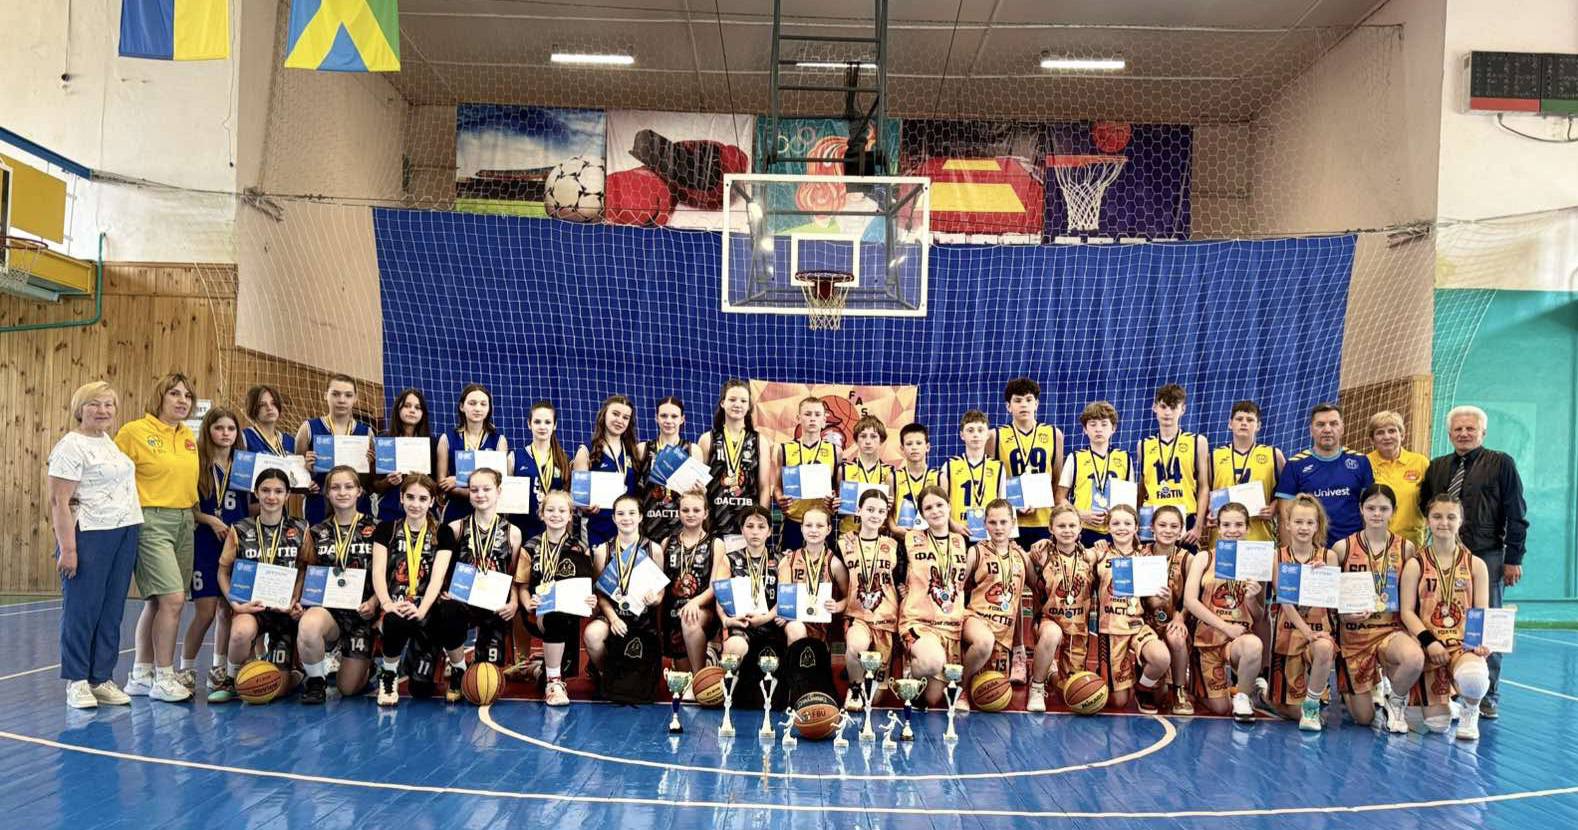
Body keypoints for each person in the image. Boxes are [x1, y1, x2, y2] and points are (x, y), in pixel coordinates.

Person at [1418, 404, 1527, 720]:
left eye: (1470, 428)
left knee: (1486, 622)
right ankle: (1448, 689)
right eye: (1458, 429)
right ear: (1449, 433)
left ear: (1483, 432)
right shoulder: (1437, 466)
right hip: (1444, 556)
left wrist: (1513, 558)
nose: (1464, 433)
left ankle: (1487, 694)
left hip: (1487, 554)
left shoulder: (1501, 463)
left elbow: (1517, 513)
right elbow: (1426, 505)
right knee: (1443, 617)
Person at [48, 381, 142, 709]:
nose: (102, 411)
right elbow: (59, 502)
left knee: (111, 610)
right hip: (90, 534)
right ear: (80, 408)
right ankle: (76, 680)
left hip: (124, 531)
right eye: (94, 404)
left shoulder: (108, 443)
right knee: (82, 610)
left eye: (108, 405)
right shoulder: (70, 446)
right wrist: (69, 549)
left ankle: (100, 678)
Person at [115, 372, 199, 703]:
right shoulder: (134, 432)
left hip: (184, 520)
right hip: (150, 520)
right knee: (173, 599)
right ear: (159, 397)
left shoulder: (188, 436)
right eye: (174, 393)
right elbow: (112, 475)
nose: (182, 400)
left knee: (159, 601)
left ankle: (141, 674)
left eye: (187, 396)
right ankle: (164, 677)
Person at [208, 468, 310, 703]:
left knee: (275, 689)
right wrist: (235, 603)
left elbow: (305, 569)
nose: (271, 497)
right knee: (240, 632)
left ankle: (294, 673)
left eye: (278, 491)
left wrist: (295, 599)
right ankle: (231, 679)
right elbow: (223, 571)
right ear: (256, 493)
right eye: (265, 490)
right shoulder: (240, 529)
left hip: (284, 612)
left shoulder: (300, 528)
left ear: (287, 495)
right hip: (253, 608)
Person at [1400, 493, 1494, 741]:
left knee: (1475, 678)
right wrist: (1429, 641)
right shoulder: (1416, 564)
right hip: (1429, 647)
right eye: (1437, 516)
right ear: (1428, 521)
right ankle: (1442, 702)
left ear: (1460, 521)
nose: (1444, 522)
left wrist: (1480, 642)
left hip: (1462, 645)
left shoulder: (1476, 564)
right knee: (1437, 726)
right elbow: (1406, 611)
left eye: (1451, 517)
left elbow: (1481, 610)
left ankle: (1470, 711)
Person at [1331, 484, 1422, 733]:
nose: (1377, 514)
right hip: (1354, 638)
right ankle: (1360, 687)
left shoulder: (1406, 549)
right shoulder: (1342, 548)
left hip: (1390, 632)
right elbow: (1330, 598)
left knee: (1414, 658)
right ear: (1361, 509)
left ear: (1393, 511)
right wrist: (1344, 614)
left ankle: (1395, 700)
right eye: (1371, 508)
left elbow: (1411, 599)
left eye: (1383, 508)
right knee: (1364, 719)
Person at [435, 468, 523, 702]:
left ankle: (478, 661)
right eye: (474, 490)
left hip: (494, 604)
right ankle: (457, 669)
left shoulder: (513, 533)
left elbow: (514, 575)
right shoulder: (456, 528)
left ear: (499, 491)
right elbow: (444, 567)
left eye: (486, 489)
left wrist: (514, 602)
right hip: (463, 600)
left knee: (487, 678)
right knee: (448, 610)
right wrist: (445, 590)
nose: (480, 494)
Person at [296, 466, 381, 703]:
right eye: (335, 487)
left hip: (362, 615)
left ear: (359, 491)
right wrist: (297, 601)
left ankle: (367, 664)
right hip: (329, 614)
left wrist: (374, 602)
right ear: (327, 493)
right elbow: (305, 572)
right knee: (309, 624)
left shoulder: (377, 529)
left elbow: (386, 574)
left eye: (348, 487)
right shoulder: (315, 532)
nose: (342, 492)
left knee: (348, 689)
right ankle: (315, 682)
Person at [371, 475, 451, 707]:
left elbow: (437, 578)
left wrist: (422, 610)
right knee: (394, 619)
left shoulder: (443, 532)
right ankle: (388, 674)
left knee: (421, 691)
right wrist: (387, 604)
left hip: (425, 609)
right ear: (401, 498)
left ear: (432, 501)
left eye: (423, 499)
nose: (416, 504)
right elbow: (378, 571)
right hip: (396, 606)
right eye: (410, 497)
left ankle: (429, 657)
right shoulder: (386, 529)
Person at [1181, 502, 1264, 722]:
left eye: (1239, 525)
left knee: (1254, 645)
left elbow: (1259, 616)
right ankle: (1198, 681)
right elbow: (1190, 601)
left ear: (1248, 528)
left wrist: (1251, 598)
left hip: (1238, 640)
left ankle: (1243, 695)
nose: (1232, 530)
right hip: (1207, 640)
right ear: (1218, 528)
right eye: (1226, 525)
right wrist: (1225, 626)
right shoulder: (1204, 558)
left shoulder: (1256, 561)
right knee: (1220, 709)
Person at [185, 407, 246, 691]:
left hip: (236, 543)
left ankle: (219, 668)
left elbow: (252, 506)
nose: (225, 433)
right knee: (205, 612)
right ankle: (186, 669)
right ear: (208, 430)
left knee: (227, 610)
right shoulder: (197, 463)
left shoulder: (243, 465)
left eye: (230, 429)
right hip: (205, 543)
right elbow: (187, 507)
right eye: (219, 428)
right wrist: (210, 520)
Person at [517, 490, 597, 706]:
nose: (556, 514)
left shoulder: (580, 548)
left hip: (569, 613)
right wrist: (527, 602)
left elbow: (586, 588)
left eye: (562, 510)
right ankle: (553, 683)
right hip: (538, 613)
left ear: (570, 515)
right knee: (554, 616)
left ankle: (537, 670)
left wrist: (590, 600)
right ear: (541, 514)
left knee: (560, 618)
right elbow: (522, 587)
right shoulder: (530, 547)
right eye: (550, 510)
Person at [898, 485, 975, 709]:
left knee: (932, 699)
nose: (935, 511)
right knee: (932, 662)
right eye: (928, 508)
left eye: (939, 505)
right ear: (922, 514)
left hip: (950, 624)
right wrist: (902, 586)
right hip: (919, 622)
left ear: (949, 507)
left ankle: (940, 678)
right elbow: (894, 572)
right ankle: (910, 669)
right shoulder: (910, 539)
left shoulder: (962, 541)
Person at [1266, 494, 1337, 731]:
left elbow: (1333, 600)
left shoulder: (1329, 557)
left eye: (1309, 522)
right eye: (1298, 522)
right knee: (1285, 708)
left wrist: (1323, 576)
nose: (1304, 527)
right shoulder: (1277, 557)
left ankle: (1312, 706)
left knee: (1325, 647)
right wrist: (1307, 632)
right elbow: (1285, 601)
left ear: (1317, 526)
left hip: (1318, 632)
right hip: (1288, 635)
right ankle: (1265, 693)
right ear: (1287, 524)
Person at [1091, 505, 1171, 713]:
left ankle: (1143, 686)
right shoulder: (1099, 554)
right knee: (1118, 702)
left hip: (1137, 625)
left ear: (1136, 527)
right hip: (1111, 630)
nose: (1122, 528)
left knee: (1161, 657)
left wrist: (1162, 598)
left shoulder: (1145, 559)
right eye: (1116, 523)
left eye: (1127, 523)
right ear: (1108, 527)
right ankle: (1109, 671)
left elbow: (1152, 603)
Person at [583, 494, 664, 682]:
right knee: (592, 635)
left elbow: (661, 592)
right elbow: (600, 593)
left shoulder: (654, 549)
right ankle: (606, 676)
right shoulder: (603, 550)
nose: (626, 518)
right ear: (613, 518)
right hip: (612, 614)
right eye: (620, 514)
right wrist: (613, 618)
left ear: (640, 517)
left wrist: (655, 599)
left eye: (631, 513)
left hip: (643, 617)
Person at [1025, 505, 1097, 713]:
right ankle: (1037, 687)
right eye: (1061, 526)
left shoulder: (1090, 556)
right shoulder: (1040, 554)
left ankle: (1051, 674)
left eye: (1072, 525)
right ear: (1051, 528)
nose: (1067, 530)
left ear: (1080, 527)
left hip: (1078, 628)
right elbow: (1018, 560)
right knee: (1052, 634)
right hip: (1048, 621)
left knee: (1069, 690)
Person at [1275, 402, 1373, 544]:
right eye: (1320, 424)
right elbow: (1285, 519)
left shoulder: (1360, 462)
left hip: (1353, 548)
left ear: (1342, 428)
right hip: (1312, 550)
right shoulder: (1294, 465)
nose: (1327, 429)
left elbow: (1370, 513)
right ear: (1311, 430)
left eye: (1333, 424)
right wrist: (1288, 554)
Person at [962, 499, 1029, 708]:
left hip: (1004, 631)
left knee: (993, 692)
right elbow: (957, 586)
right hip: (976, 620)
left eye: (1003, 522)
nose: (998, 528)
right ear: (984, 524)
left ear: (1013, 523)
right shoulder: (976, 552)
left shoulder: (1021, 555)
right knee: (984, 642)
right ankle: (960, 688)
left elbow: (1040, 588)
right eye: (992, 522)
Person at [840, 489, 902, 711]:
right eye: (870, 509)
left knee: (875, 700)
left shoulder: (894, 546)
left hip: (886, 620)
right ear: (859, 511)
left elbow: (901, 583)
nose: (875, 515)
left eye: (881, 511)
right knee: (856, 645)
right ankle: (854, 687)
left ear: (886, 515)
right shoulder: (844, 544)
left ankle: (865, 680)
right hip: (858, 616)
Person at [989, 377, 1064, 548]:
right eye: (1017, 400)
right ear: (1008, 406)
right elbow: (992, 482)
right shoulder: (995, 436)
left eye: (1029, 400)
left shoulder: (1054, 435)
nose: (1024, 405)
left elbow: (1056, 480)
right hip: (1009, 522)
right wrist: (1010, 506)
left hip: (1044, 519)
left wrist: (1042, 502)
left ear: (1036, 404)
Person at [695, 379, 772, 538]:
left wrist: (761, 521)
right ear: (722, 403)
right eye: (732, 399)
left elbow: (764, 487)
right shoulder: (707, 439)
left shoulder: (760, 441)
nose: (738, 404)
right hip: (714, 523)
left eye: (743, 401)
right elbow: (699, 487)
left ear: (749, 406)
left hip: (748, 526)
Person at [295, 374, 375, 525]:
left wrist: (370, 465)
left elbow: (369, 483)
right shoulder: (308, 428)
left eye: (348, 395)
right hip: (319, 504)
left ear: (355, 398)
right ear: (325, 395)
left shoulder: (367, 433)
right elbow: (297, 479)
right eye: (336, 394)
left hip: (357, 504)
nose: (342, 400)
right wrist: (306, 471)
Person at [658, 491, 721, 680]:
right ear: (678, 512)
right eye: (685, 510)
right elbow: (661, 588)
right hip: (673, 615)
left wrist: (695, 603)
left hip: (702, 612)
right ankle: (700, 669)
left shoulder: (716, 544)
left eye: (696, 510)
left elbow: (715, 587)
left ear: (706, 513)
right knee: (683, 681)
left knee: (690, 619)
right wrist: (659, 626)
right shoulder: (667, 543)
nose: (690, 514)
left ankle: (701, 677)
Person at [1137, 384, 1210, 547]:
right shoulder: (1143, 445)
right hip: (1152, 519)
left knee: (1186, 563)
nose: (1168, 412)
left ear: (1183, 409)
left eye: (1173, 407)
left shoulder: (1197, 442)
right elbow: (1142, 488)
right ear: (1154, 408)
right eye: (1163, 407)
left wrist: (1198, 526)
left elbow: (1204, 487)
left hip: (1186, 518)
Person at [713, 505, 783, 673]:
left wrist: (765, 618)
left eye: (761, 527)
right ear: (742, 530)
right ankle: (728, 685)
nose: (755, 532)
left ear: (769, 531)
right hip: (741, 624)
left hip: (771, 624)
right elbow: (720, 597)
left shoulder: (781, 560)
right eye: (750, 526)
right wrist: (726, 620)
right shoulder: (729, 559)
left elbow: (785, 599)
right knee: (734, 646)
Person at [1140, 505, 1194, 714]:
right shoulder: (1141, 554)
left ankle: (1179, 690)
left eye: (1174, 526)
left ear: (1181, 530)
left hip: (1173, 620)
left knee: (1177, 636)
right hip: (1145, 624)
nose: (1168, 530)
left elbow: (1191, 597)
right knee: (1157, 696)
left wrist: (1180, 618)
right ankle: (1145, 684)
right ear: (1152, 527)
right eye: (1162, 525)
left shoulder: (1187, 558)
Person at [1058, 401, 1132, 547]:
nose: (1098, 429)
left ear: (1113, 428)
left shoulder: (1124, 458)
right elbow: (1060, 498)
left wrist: (1118, 518)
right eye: (1093, 424)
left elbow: (1130, 503)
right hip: (1083, 530)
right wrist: (1080, 513)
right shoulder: (1075, 458)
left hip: (1115, 531)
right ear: (1085, 429)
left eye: (1104, 424)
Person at [1208, 401, 1284, 543]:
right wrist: (1209, 511)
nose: (1244, 423)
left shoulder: (1273, 455)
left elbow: (1288, 492)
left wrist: (1274, 507)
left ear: (1258, 426)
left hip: (1259, 537)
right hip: (1223, 537)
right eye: (1239, 419)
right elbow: (1204, 492)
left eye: (1250, 420)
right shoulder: (1214, 456)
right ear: (1230, 423)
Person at [435, 383, 510, 524]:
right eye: (472, 403)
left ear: (489, 408)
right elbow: (442, 483)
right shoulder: (447, 439)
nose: (477, 408)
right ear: (462, 406)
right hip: (456, 511)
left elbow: (499, 482)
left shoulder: (499, 441)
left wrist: (458, 481)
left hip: (488, 512)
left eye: (483, 404)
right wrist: (478, 492)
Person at [772, 397, 840, 551]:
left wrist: (834, 500)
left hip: (821, 523)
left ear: (824, 420)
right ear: (798, 418)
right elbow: (777, 487)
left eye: (817, 414)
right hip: (794, 521)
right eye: (808, 414)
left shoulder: (835, 451)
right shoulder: (785, 449)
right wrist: (780, 499)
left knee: (823, 565)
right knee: (789, 564)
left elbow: (837, 490)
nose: (812, 419)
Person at [573, 395, 640, 549]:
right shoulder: (586, 451)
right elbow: (579, 498)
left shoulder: (632, 452)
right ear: (604, 415)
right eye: (615, 414)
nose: (620, 420)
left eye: (625, 417)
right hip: (597, 526)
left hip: (626, 526)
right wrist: (585, 506)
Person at [776, 506, 848, 648]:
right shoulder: (789, 560)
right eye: (808, 525)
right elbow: (783, 597)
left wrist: (837, 606)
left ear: (828, 529)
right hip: (795, 622)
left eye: (819, 526)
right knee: (796, 629)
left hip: (823, 625)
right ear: (801, 528)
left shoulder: (835, 564)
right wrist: (782, 614)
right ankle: (794, 662)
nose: (813, 530)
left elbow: (849, 597)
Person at [1365, 410, 1428, 547]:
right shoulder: (1364, 463)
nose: (1387, 437)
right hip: (1374, 543)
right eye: (1380, 432)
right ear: (1372, 440)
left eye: (1392, 431)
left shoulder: (1420, 462)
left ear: (1402, 435)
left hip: (1411, 543)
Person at [373, 388, 436, 524]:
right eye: (407, 406)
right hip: (390, 511)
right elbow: (375, 486)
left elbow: (437, 485)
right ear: (398, 409)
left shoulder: (432, 443)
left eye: (417, 407)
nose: (412, 410)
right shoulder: (385, 440)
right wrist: (388, 481)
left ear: (423, 413)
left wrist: (424, 480)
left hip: (422, 513)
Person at [511, 400, 571, 540]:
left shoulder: (564, 460)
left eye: (547, 422)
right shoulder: (515, 457)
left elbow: (568, 502)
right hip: (521, 530)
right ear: (529, 424)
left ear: (555, 425)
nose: (542, 427)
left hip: (553, 531)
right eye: (537, 422)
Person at [940, 410, 1004, 541]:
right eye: (970, 430)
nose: (976, 434)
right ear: (962, 435)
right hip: (957, 534)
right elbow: (941, 504)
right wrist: (952, 524)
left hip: (988, 534)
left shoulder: (998, 467)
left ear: (987, 434)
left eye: (980, 430)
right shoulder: (949, 466)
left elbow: (1003, 504)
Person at [635, 396, 692, 542]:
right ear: (656, 418)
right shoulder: (643, 449)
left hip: (682, 529)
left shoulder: (692, 450)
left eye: (674, 416)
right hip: (649, 527)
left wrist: (701, 490)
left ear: (682, 419)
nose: (668, 421)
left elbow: (699, 495)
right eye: (664, 416)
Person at [836, 416, 896, 536]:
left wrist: (891, 504)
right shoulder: (844, 470)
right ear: (856, 440)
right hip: (848, 535)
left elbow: (891, 512)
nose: (868, 441)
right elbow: (838, 506)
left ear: (881, 440)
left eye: (873, 436)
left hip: (878, 534)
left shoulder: (889, 472)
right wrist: (835, 503)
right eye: (863, 436)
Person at [891, 423, 939, 535]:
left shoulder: (939, 477)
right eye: (909, 444)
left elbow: (945, 512)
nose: (914, 447)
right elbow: (888, 513)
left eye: (918, 443)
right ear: (902, 449)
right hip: (901, 537)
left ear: (927, 447)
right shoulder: (893, 477)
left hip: (930, 537)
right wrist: (894, 529)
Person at [241, 384, 294, 457]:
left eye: (273, 403)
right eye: (262, 404)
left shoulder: (290, 441)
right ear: (253, 408)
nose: (269, 408)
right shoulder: (245, 437)